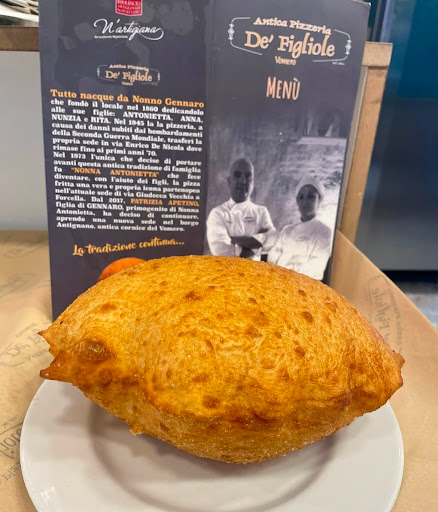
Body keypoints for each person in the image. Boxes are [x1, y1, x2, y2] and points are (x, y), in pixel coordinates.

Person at [206, 158, 276, 260]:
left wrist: (235, 241)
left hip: (255, 269)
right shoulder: (217, 213)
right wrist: (257, 244)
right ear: (229, 181)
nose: (243, 181)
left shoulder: (261, 212)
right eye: (237, 175)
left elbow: (273, 239)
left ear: (253, 183)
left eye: (248, 176)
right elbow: (222, 252)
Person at [267, 176, 332, 280]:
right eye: (301, 197)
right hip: (278, 280)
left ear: (319, 199)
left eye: (310, 197)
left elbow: (315, 268)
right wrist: (295, 262)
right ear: (297, 201)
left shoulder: (323, 231)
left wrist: (283, 266)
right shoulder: (286, 230)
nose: (305, 201)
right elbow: (271, 256)